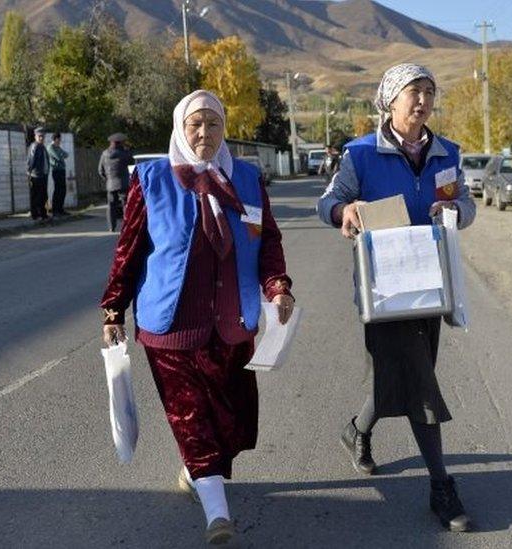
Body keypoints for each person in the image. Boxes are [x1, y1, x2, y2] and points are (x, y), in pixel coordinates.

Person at [100, 90, 294, 545]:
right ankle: (217, 515)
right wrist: (114, 309)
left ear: (224, 129)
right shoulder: (151, 180)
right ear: (180, 130)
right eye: (195, 125)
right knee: (190, 417)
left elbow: (267, 243)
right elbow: (128, 253)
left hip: (232, 322)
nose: (204, 133)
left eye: (213, 124)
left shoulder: (246, 179)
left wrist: (277, 286)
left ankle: (194, 472)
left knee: (233, 422)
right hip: (171, 325)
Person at [316, 63, 477, 532]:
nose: (423, 100)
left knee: (397, 377)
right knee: (420, 381)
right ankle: (441, 486)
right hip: (383, 289)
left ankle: (356, 430)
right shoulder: (360, 154)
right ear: (389, 100)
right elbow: (327, 200)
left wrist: (456, 210)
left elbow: (465, 204)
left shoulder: (447, 153)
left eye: (429, 91)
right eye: (413, 92)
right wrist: (344, 210)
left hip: (432, 284)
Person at [97, 132, 133, 232]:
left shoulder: (104, 154)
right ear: (120, 143)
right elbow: (132, 161)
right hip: (123, 183)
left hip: (110, 184)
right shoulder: (124, 153)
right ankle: (126, 226)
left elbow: (100, 170)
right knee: (125, 205)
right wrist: (128, 150)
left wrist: (107, 179)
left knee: (111, 206)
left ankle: (111, 227)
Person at [26, 127, 50, 221]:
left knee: (43, 195)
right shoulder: (35, 146)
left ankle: (43, 214)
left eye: (43, 136)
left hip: (43, 175)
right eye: (39, 136)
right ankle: (35, 215)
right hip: (36, 175)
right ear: (35, 136)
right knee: (36, 196)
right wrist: (29, 173)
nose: (41, 138)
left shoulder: (42, 147)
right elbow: (31, 161)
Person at [48, 132, 70, 217]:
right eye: (59, 139)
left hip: (62, 170)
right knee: (57, 190)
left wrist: (61, 155)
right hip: (56, 170)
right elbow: (58, 157)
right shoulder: (51, 147)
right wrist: (61, 155)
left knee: (63, 189)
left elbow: (66, 154)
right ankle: (55, 209)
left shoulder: (58, 147)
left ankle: (61, 209)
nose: (60, 140)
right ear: (55, 139)